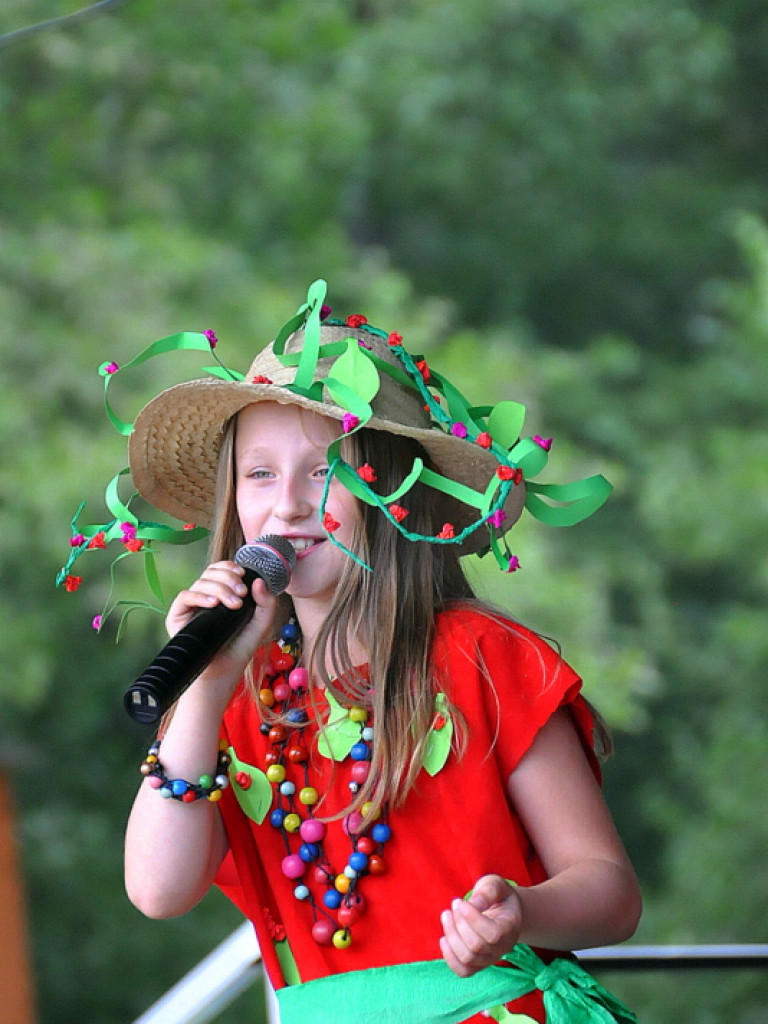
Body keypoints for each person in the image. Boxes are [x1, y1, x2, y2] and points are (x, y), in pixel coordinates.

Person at [90, 279, 640, 1023]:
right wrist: (207, 686)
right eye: (260, 474)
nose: (288, 504)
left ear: (395, 496)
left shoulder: (484, 658)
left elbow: (611, 893)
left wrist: (521, 912)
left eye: (326, 471)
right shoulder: (235, 696)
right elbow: (158, 890)